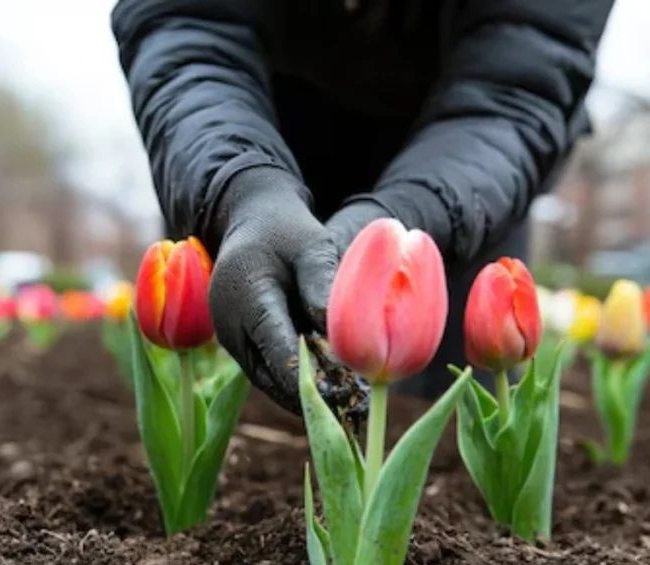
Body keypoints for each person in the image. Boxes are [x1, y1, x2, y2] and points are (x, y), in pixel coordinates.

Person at [112, 0, 614, 416]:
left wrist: (417, 215)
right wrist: (239, 189)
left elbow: (518, 87)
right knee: (260, 388)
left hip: (463, 165)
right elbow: (185, 29)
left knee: (449, 417)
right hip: (263, 125)